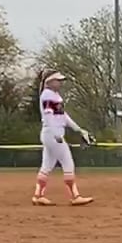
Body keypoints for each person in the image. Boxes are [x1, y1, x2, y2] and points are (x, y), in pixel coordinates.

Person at [34, 71, 93, 206]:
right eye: (58, 80)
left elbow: (63, 116)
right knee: (68, 162)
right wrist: (56, 134)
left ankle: (38, 195)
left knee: (47, 165)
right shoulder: (48, 95)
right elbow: (48, 115)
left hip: (50, 134)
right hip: (53, 134)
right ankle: (75, 196)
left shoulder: (54, 96)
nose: (60, 83)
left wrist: (79, 129)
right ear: (49, 82)